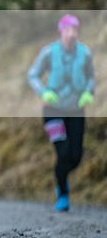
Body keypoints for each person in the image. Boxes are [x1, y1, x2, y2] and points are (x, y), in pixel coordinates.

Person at [27, 14, 95, 212]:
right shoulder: (49, 52)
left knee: (76, 156)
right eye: (67, 30)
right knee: (63, 152)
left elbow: (91, 77)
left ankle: (61, 178)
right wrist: (43, 92)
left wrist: (88, 92)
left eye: (74, 30)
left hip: (76, 109)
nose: (71, 34)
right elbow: (33, 74)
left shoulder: (85, 53)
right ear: (61, 31)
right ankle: (63, 193)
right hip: (53, 110)